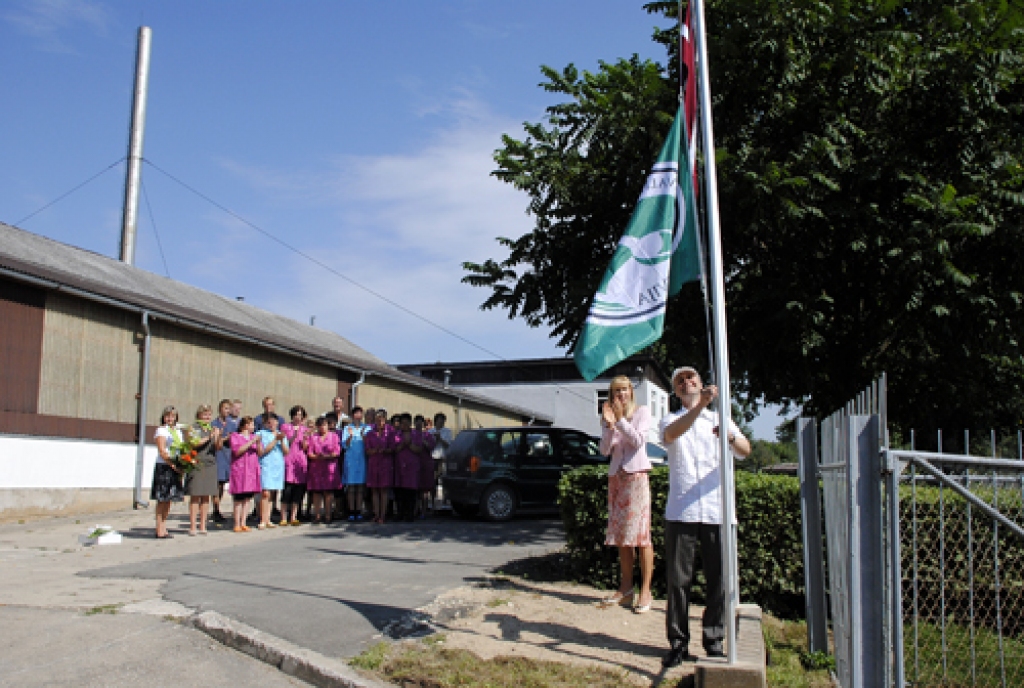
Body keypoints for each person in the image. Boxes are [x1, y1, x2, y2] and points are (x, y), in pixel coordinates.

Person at [659, 366, 751, 666]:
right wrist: (699, 407)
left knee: (718, 581)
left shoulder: (720, 419)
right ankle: (678, 643)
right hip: (681, 511)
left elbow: (745, 450)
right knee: (678, 581)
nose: (688, 382)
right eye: (681, 381)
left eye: (692, 378)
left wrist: (729, 438)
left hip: (717, 510)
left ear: (700, 382)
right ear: (676, 391)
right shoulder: (672, 418)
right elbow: (671, 435)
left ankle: (714, 638)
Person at [598, 375, 654, 613]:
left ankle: (646, 590)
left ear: (631, 392)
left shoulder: (642, 412)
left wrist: (620, 420)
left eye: (624, 390)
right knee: (622, 535)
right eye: (616, 391)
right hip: (616, 478)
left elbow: (638, 440)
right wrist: (609, 426)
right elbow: (604, 450)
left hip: (636, 477)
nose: (620, 394)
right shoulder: (610, 416)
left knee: (641, 535)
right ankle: (626, 588)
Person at [184, 404, 220, 536]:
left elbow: (217, 447)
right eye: (205, 414)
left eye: (209, 414)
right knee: (195, 495)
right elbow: (194, 443)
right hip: (197, 463)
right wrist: (209, 436)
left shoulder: (212, 428)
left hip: (210, 463)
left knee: (206, 496)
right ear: (199, 415)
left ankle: (203, 525)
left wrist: (217, 437)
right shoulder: (193, 428)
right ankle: (193, 525)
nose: (207, 417)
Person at [151, 406, 185, 539]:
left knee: (169, 499)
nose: (170, 419)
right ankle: (159, 528)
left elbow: (182, 448)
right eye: (167, 416)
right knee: (162, 498)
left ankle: (164, 527)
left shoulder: (177, 431)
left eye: (172, 416)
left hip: (175, 466)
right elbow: (162, 449)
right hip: (164, 466)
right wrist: (171, 463)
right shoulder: (161, 430)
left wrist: (183, 463)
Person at [256, 413, 288, 529]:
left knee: (272, 494)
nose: (271, 424)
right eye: (268, 422)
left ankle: (268, 519)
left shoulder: (281, 434)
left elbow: (286, 452)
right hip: (266, 465)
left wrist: (282, 440)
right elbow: (263, 451)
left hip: (278, 466)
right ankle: (262, 519)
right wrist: (275, 440)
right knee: (265, 493)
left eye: (273, 422)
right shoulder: (260, 434)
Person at [307, 416, 341, 524]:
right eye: (320, 425)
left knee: (328, 492)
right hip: (316, 468)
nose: (322, 427)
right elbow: (310, 452)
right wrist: (318, 457)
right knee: (316, 492)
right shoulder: (313, 437)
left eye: (325, 425)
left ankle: (328, 515)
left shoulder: (334, 436)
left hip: (329, 467)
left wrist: (326, 456)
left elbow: (337, 452)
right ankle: (317, 515)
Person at [229, 416, 261, 533]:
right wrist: (251, 442)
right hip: (240, 471)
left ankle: (243, 522)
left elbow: (260, 452)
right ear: (245, 425)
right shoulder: (235, 436)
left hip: (251, 472)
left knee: (247, 499)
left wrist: (257, 443)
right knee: (238, 499)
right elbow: (237, 451)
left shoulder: (254, 437)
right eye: (252, 424)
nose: (253, 427)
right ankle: (236, 523)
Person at [365, 409, 397, 524]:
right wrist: (374, 450)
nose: (379, 422)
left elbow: (393, 448)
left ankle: (383, 515)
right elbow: (367, 450)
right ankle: (376, 514)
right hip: (373, 463)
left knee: (383, 490)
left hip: (385, 463)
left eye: (382, 420)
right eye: (377, 420)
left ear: (385, 420)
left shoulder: (390, 432)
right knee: (374, 490)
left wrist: (384, 450)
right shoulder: (370, 433)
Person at [281, 405, 310, 526]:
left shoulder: (305, 429)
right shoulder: (285, 427)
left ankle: (293, 516)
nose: (298, 417)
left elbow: (305, 447)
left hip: (300, 461)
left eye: (300, 415)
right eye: (296, 414)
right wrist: (294, 435)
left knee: (298, 490)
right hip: (289, 459)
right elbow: (285, 443)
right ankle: (283, 517)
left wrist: (304, 439)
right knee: (287, 490)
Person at [211, 399, 238, 524]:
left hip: (229, 456)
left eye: (229, 409)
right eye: (225, 408)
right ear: (220, 409)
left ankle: (228, 509)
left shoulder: (232, 424)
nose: (227, 411)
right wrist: (226, 437)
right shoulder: (214, 423)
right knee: (218, 484)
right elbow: (215, 441)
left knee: (225, 484)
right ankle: (216, 509)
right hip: (218, 455)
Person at [341, 406, 369, 521]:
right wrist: (351, 436)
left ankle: (359, 510)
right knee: (351, 487)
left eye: (360, 413)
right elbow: (344, 445)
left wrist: (363, 436)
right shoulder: (347, 428)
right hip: (351, 460)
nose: (358, 415)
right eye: (356, 413)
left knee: (360, 487)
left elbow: (369, 444)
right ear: (352, 415)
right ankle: (351, 511)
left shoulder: (366, 428)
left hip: (362, 460)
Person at [414, 415, 437, 518]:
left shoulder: (427, 435)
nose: (419, 424)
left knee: (425, 490)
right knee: (416, 489)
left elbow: (431, 447)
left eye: (420, 422)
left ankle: (424, 510)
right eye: (417, 422)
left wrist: (425, 442)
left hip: (426, 464)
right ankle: (416, 509)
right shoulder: (412, 434)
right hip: (415, 463)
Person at [430, 412, 453, 507]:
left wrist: (440, 439)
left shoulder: (447, 431)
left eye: (443, 421)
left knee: (444, 481)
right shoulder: (430, 432)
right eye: (440, 421)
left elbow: (449, 445)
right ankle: (432, 500)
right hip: (433, 458)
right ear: (435, 421)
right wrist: (435, 440)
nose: (441, 423)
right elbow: (429, 446)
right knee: (433, 481)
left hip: (443, 459)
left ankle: (445, 500)